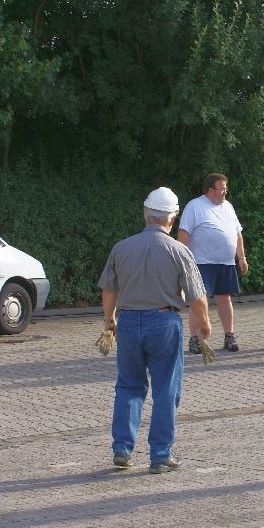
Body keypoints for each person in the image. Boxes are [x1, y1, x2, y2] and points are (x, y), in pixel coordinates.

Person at [98, 187, 212, 474]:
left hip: (128, 322)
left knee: (128, 386)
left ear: (145, 214)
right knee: (165, 390)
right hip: (164, 322)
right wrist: (204, 325)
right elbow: (197, 297)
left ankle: (122, 449)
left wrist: (109, 320)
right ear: (172, 219)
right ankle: (160, 455)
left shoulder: (121, 248)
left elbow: (109, 290)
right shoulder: (179, 251)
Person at [178, 173, 248, 353]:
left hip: (226, 263)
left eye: (225, 188)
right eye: (222, 189)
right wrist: (184, 260)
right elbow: (184, 233)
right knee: (199, 300)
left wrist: (241, 257)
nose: (225, 192)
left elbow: (237, 234)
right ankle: (195, 339)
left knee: (225, 299)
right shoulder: (195, 206)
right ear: (210, 190)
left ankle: (229, 336)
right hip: (202, 263)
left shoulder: (228, 207)